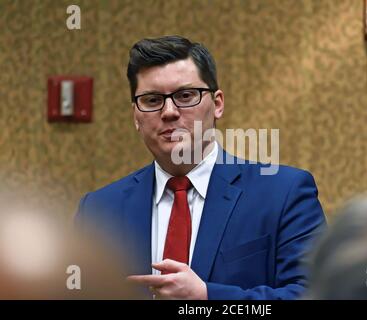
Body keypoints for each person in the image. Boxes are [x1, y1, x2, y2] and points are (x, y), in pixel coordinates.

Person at [75, 35, 326, 300]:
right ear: (136, 116)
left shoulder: (284, 193)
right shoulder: (99, 209)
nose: (169, 111)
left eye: (185, 96)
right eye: (152, 100)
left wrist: (208, 298)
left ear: (217, 104)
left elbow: (316, 295)